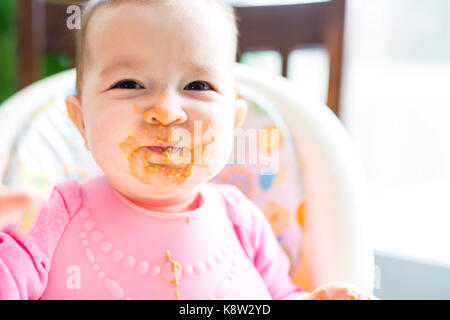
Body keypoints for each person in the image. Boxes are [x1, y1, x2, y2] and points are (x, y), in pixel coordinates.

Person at [0, 0, 375, 300]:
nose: (166, 112)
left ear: (233, 121)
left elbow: (279, 293)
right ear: (81, 121)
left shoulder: (243, 222)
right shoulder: (48, 220)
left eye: (197, 85)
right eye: (129, 83)